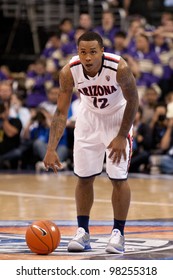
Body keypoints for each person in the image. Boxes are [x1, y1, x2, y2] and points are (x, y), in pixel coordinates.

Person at [43, 31, 139, 254]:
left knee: (117, 177)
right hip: (88, 119)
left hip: (117, 117)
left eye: (93, 52)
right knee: (84, 178)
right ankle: (83, 231)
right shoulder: (69, 71)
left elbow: (133, 100)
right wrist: (51, 148)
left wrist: (121, 135)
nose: (87, 57)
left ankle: (118, 233)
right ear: (78, 52)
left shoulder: (119, 67)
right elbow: (60, 110)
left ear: (102, 51)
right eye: (83, 52)